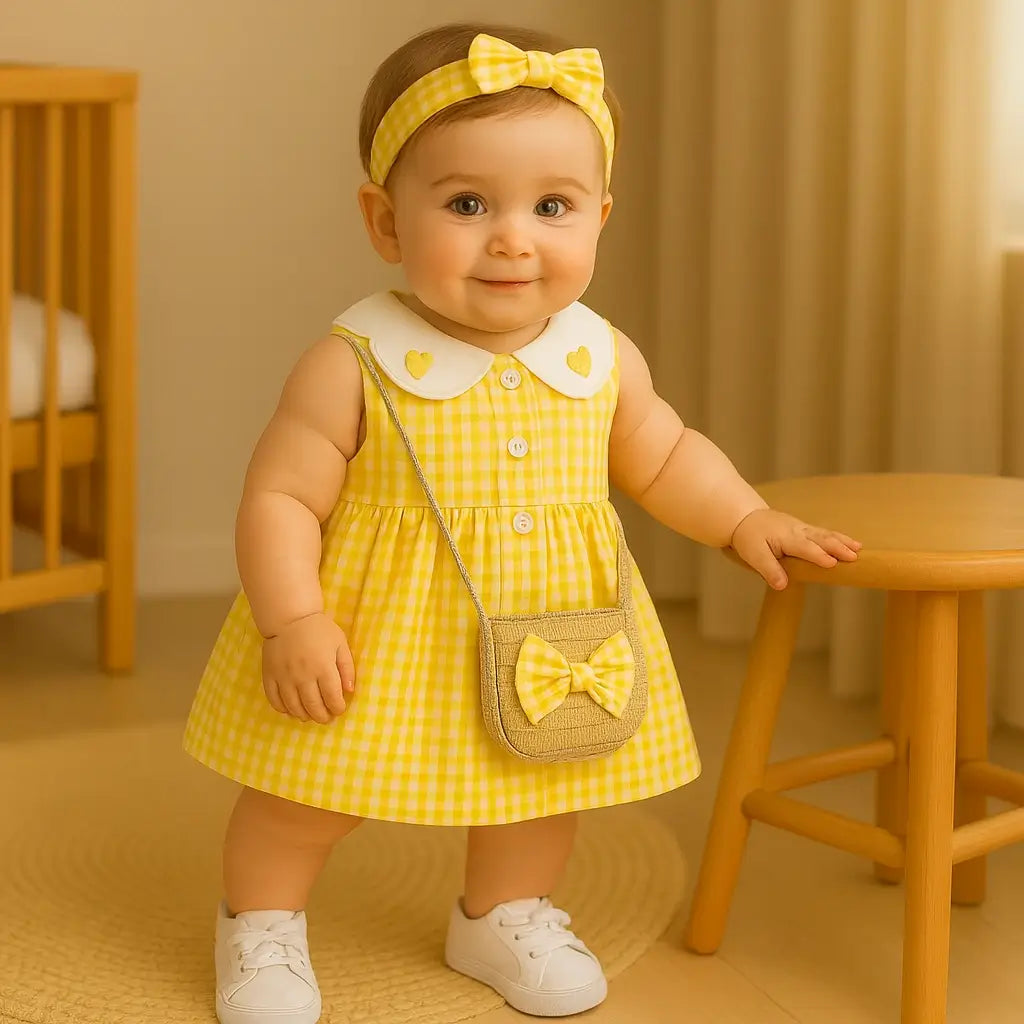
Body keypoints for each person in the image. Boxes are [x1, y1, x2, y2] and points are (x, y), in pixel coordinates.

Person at [183, 21, 860, 1024]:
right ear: (385, 220)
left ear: (599, 217)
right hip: (373, 635)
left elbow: (665, 454)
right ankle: (262, 922)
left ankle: (502, 912)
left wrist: (743, 517)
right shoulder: (354, 362)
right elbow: (281, 496)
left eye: (553, 206)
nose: (513, 237)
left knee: (538, 791)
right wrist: (294, 619)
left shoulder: (598, 357)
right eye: (467, 204)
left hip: (549, 631)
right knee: (307, 793)